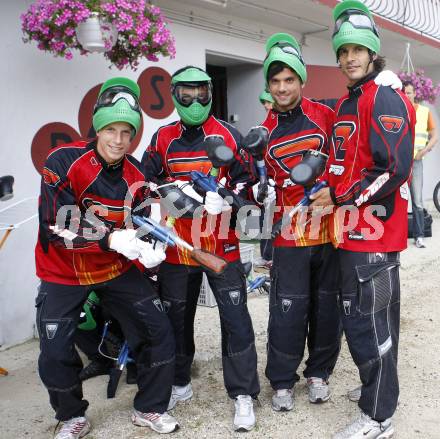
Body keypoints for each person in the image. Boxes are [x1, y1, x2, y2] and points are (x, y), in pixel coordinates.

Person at [35, 77, 179, 437]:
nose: (118, 139)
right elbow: (55, 225)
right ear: (98, 129)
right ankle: (71, 416)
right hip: (62, 271)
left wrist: (151, 249)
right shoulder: (62, 161)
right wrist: (112, 238)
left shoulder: (138, 173)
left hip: (114, 269)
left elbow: (146, 222)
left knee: (158, 328)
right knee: (54, 349)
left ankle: (149, 407)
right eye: (111, 129)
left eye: (126, 132)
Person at [310, 2, 416, 438]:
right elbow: (346, 164)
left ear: (373, 53)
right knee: (364, 320)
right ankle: (378, 387)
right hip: (348, 235)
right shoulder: (352, 102)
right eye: (343, 50)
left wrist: (340, 197)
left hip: (374, 234)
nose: (350, 57)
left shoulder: (383, 96)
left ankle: (378, 416)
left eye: (358, 50)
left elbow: (394, 167)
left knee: (370, 323)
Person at [142, 65, 260, 432]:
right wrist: (173, 199)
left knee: (236, 317)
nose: (195, 101)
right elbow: (146, 184)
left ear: (211, 93)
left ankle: (243, 393)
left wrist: (226, 199)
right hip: (179, 248)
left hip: (222, 243)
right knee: (177, 318)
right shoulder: (162, 139)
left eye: (201, 93)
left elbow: (248, 184)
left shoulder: (228, 134)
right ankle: (180, 382)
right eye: (186, 94)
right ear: (174, 96)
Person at [254, 32, 342, 412]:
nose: (282, 87)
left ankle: (319, 373)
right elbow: (256, 183)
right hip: (289, 236)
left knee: (327, 308)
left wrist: (335, 190)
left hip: (328, 234)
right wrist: (260, 194)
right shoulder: (264, 132)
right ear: (268, 86)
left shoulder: (326, 116)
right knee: (287, 310)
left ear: (301, 80)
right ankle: (282, 381)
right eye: (275, 81)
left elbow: (344, 164)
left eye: (289, 79)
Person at [403, 80, 438, 248]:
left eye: (409, 92)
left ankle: (419, 236)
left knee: (417, 201)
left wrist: (424, 151)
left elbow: (434, 135)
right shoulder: (397, 110)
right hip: (400, 162)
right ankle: (398, 236)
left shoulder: (424, 111)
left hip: (416, 163)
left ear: (415, 93)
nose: (406, 95)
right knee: (398, 201)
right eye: (404, 92)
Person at [254, 90, 275, 269]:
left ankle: (272, 256)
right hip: (266, 181)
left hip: (281, 182)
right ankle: (266, 256)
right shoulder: (263, 128)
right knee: (266, 221)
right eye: (264, 103)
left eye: (269, 102)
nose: (267, 106)